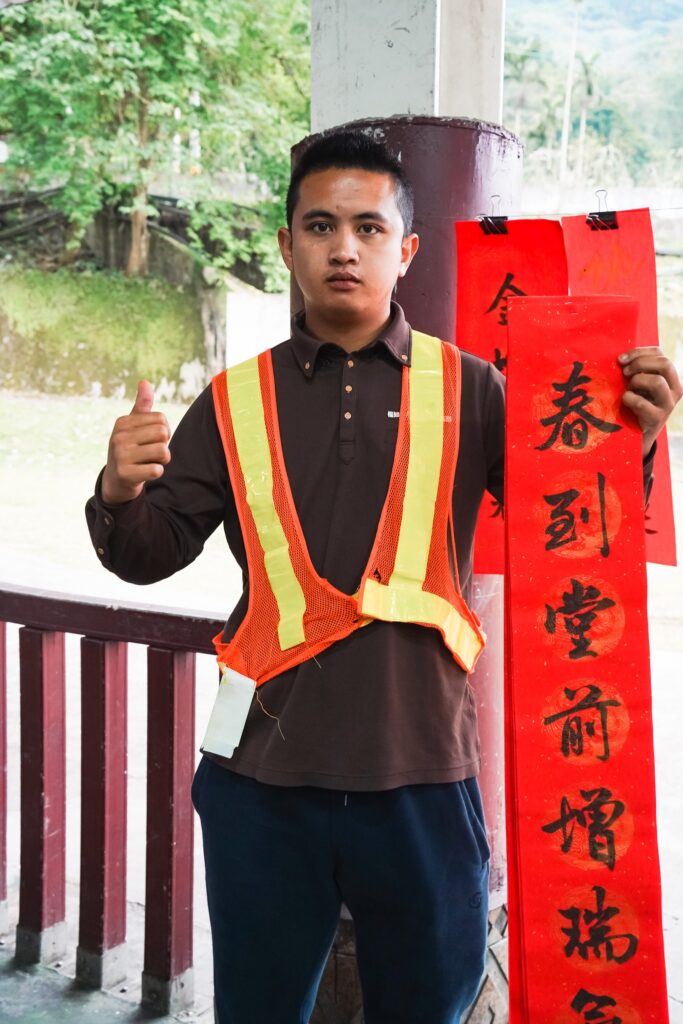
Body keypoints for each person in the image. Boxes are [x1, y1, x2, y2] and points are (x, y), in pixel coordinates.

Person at [86, 130, 682, 1024]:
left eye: (369, 228)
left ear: (405, 251)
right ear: (286, 245)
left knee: (425, 1007)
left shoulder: (474, 389)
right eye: (320, 226)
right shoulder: (233, 399)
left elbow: (566, 532)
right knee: (256, 1009)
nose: (344, 248)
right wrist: (118, 491)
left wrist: (626, 442)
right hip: (262, 782)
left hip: (423, 777)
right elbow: (148, 553)